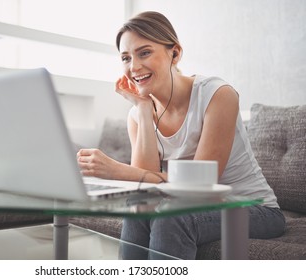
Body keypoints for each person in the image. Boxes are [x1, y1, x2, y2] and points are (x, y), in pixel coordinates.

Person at [76, 11, 285, 259]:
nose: (134, 67)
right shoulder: (137, 115)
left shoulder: (217, 95)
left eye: (144, 53)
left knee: (171, 219)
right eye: (125, 58)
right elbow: (145, 193)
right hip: (193, 207)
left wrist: (117, 170)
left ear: (175, 53)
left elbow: (202, 185)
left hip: (253, 209)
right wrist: (143, 110)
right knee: (138, 212)